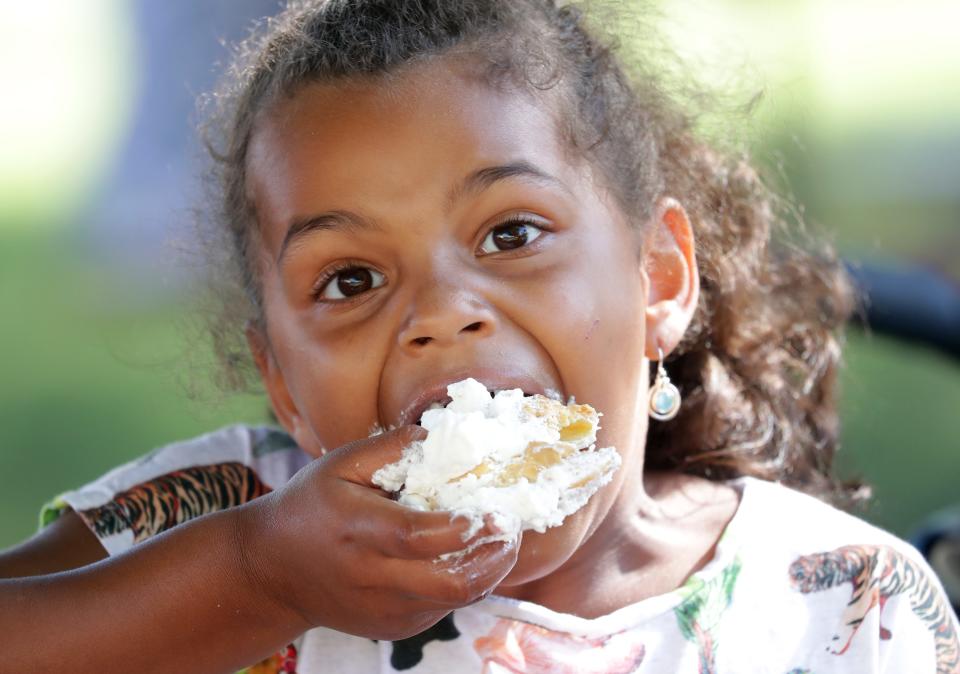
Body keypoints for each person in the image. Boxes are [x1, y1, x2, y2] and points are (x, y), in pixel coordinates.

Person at [2, 1, 958, 672]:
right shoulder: (226, 519)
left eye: (511, 234)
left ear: (657, 278)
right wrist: (255, 580)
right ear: (282, 382)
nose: (439, 311)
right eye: (351, 280)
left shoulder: (843, 605)